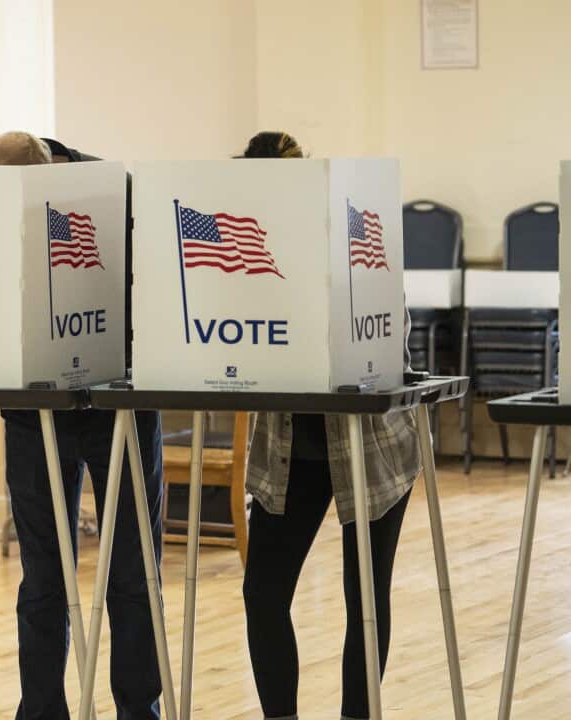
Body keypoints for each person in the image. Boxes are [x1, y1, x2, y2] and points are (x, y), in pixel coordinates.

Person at [0, 131, 166, 720]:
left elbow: (154, 296)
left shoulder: (114, 195)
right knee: (42, 575)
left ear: (48, 172)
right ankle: (39, 712)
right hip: (34, 412)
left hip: (119, 404)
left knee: (133, 571)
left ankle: (139, 709)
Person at [238, 130, 421, 720]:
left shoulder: (353, 231)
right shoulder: (248, 253)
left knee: (365, 600)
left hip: (372, 450)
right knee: (263, 593)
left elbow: (396, 342)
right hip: (288, 450)